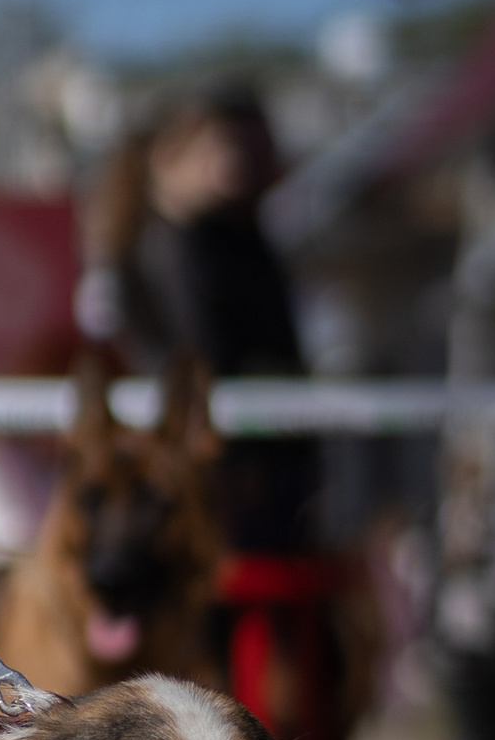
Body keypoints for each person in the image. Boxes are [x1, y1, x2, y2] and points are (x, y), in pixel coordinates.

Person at [80, 87, 318, 554]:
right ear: (169, 157)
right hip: (219, 464)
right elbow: (194, 357)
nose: (245, 164)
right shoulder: (168, 249)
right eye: (228, 147)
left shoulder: (240, 240)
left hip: (254, 453)